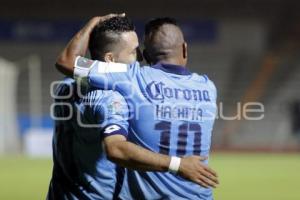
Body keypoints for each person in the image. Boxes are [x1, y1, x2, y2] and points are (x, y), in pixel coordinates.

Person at [49, 14, 218, 200]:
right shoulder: (208, 88)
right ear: (184, 49)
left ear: (147, 55)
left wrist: (94, 22)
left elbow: (67, 61)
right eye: (133, 51)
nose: (138, 58)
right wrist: (178, 164)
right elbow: (116, 149)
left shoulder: (64, 87)